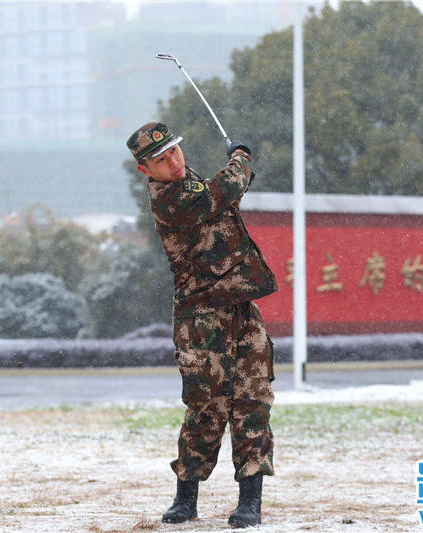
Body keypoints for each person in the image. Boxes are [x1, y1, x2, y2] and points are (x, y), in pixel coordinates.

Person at [126, 122, 279, 528]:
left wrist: (237, 174)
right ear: (146, 170)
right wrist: (241, 157)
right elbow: (222, 191)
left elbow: (224, 196)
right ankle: (186, 497)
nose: (173, 161)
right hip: (202, 319)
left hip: (241, 308)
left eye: (174, 151)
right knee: (205, 409)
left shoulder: (189, 180)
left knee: (252, 401)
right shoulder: (172, 198)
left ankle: (250, 501)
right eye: (161, 160)